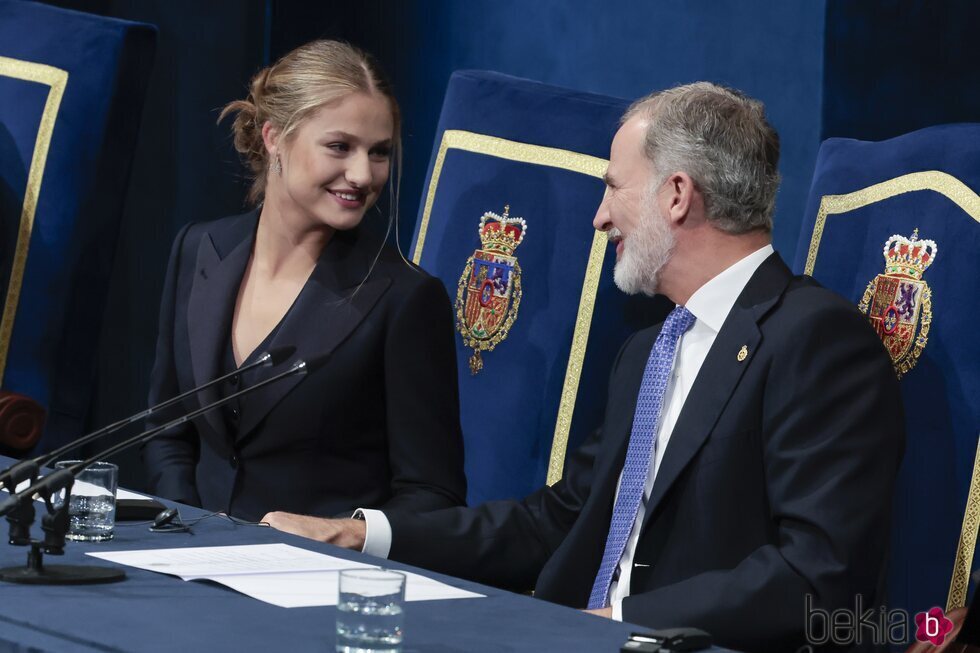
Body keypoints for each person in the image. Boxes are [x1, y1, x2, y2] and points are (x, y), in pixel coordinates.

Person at [262, 82, 905, 651]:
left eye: (612, 187)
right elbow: (558, 521)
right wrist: (362, 534)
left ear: (677, 195)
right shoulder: (648, 350)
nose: (599, 217)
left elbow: (819, 574)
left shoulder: (814, 338)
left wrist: (622, 621)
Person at [142, 40, 466, 525]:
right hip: (188, 563)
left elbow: (431, 495)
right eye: (339, 147)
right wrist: (187, 530)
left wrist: (346, 535)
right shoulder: (198, 248)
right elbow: (167, 429)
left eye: (378, 153)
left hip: (315, 584)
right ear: (274, 137)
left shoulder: (405, 298)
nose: (362, 174)